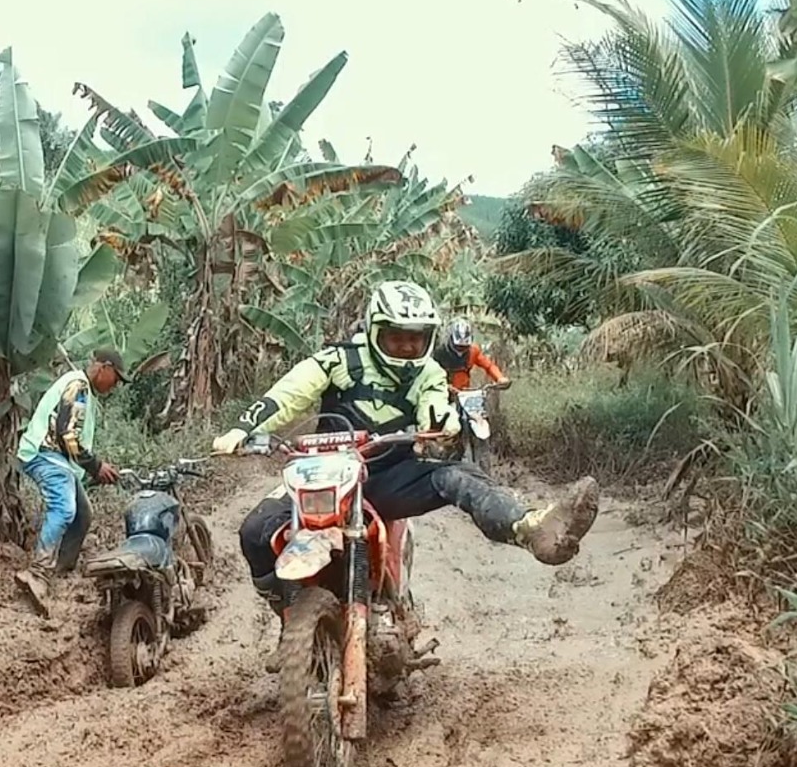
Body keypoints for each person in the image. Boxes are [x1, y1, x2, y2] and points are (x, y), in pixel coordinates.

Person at [212, 280, 600, 663]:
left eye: (416, 338)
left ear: (429, 338)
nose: (407, 346)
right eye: (396, 337)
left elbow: (435, 406)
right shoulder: (338, 360)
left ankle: (530, 528)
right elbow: (289, 393)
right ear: (375, 330)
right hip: (322, 476)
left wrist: (442, 423)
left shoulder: (427, 373)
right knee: (254, 532)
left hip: (387, 479)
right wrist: (243, 429)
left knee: (456, 475)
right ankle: (289, 620)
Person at [16, 347, 128, 580]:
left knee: (83, 514)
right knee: (65, 509)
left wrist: (94, 468)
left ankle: (62, 570)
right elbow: (67, 435)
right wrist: (96, 466)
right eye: (115, 378)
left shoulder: (83, 389)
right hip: (45, 455)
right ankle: (38, 572)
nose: (115, 385)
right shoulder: (77, 386)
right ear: (103, 368)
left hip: (59, 460)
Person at [434, 317, 509, 391]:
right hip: (442, 392)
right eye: (458, 346)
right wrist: (445, 386)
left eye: (464, 347)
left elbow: (489, 366)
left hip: (464, 393)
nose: (461, 350)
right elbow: (431, 374)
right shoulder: (439, 353)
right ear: (451, 340)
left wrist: (499, 377)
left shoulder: (473, 351)